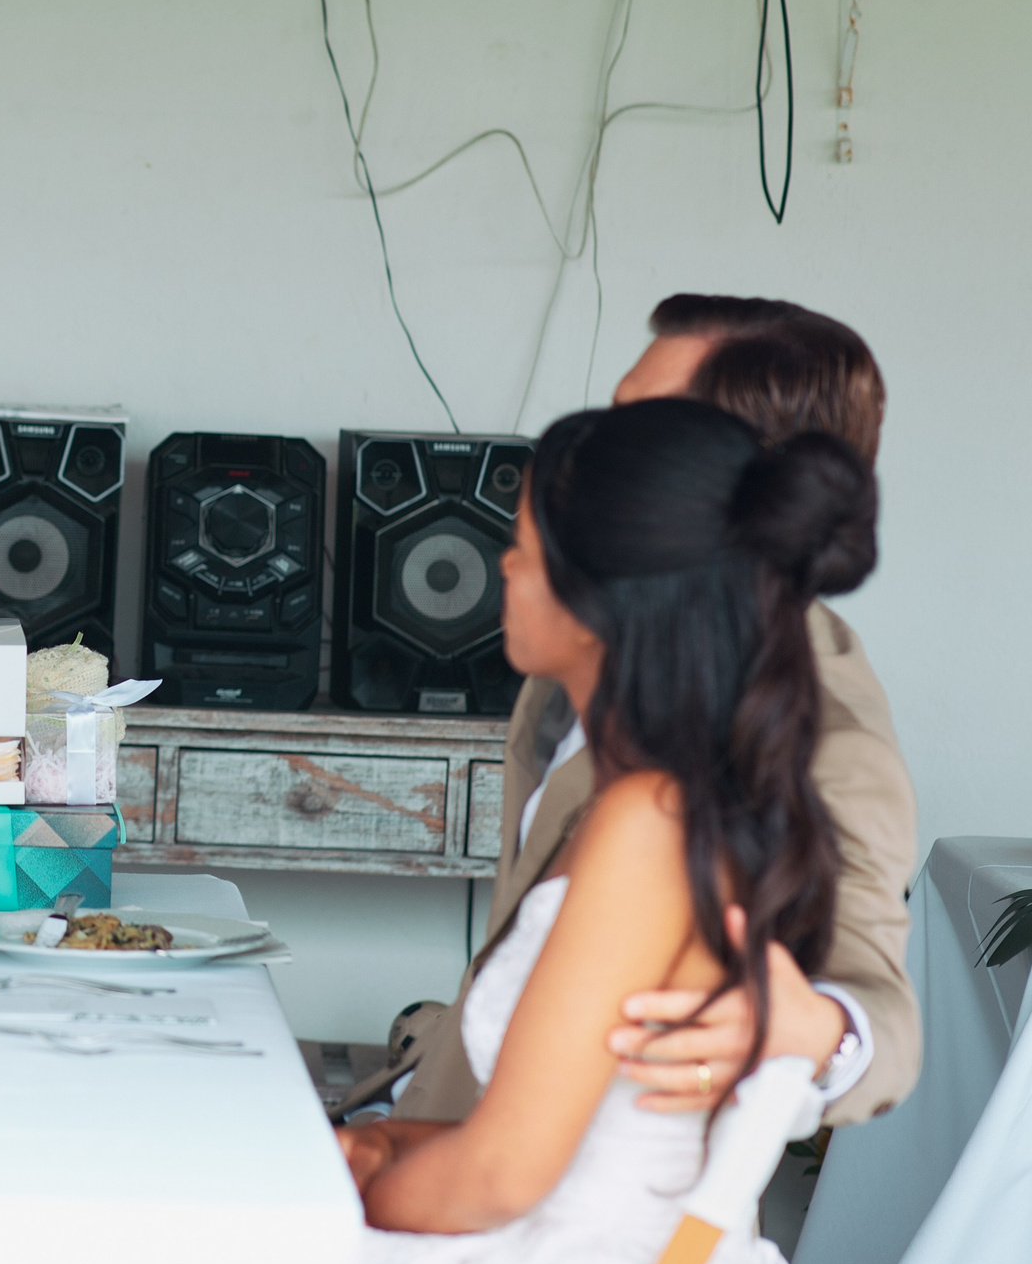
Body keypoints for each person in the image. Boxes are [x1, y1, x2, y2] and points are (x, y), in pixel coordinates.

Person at [281, 396, 873, 1264]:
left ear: (602, 592)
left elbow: (505, 1175)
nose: (504, 568)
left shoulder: (649, 823)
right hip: (582, 1260)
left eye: (521, 543)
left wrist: (319, 1202)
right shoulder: (678, 801)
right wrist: (380, 1146)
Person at [341, 296, 916, 1130]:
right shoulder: (587, 638)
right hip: (427, 1119)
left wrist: (824, 1030)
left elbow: (880, 1016)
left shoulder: (827, 730)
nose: (591, 445)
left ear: (729, 470)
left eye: (634, 420)